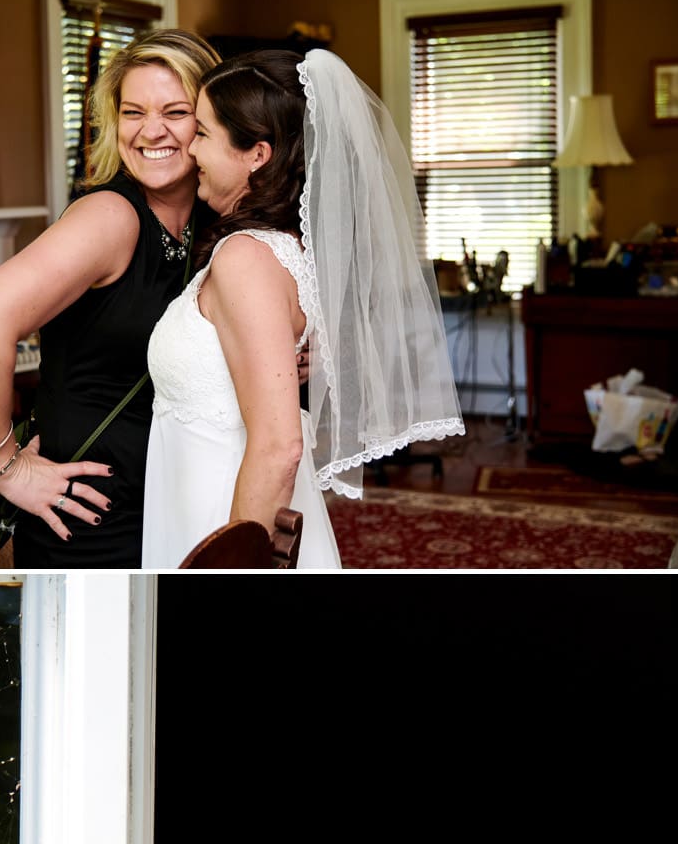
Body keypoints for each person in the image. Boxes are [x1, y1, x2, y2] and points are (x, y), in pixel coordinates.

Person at [141, 50, 463, 567]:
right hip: (203, 499)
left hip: (228, 516)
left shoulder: (246, 257)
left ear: (257, 154)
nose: (188, 147)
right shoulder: (281, 247)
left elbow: (280, 445)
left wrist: (232, 566)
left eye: (202, 133)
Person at [0, 29, 220, 566]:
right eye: (134, 112)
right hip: (94, 516)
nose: (151, 131)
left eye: (176, 111)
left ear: (210, 122)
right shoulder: (108, 217)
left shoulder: (211, 222)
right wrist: (7, 469)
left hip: (177, 501)